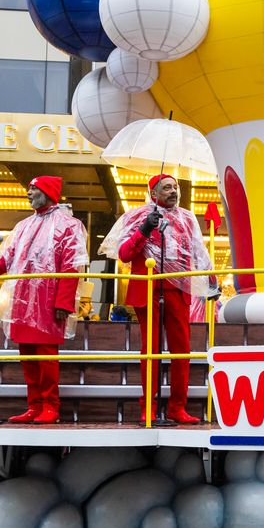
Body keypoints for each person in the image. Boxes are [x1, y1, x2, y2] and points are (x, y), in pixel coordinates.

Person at [0, 176, 88, 424]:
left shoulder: (69, 225)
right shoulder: (23, 226)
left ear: (47, 193)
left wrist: (63, 303)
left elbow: (72, 267)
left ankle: (50, 406)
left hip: (48, 302)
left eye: (33, 188)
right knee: (27, 356)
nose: (29, 192)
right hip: (23, 302)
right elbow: (4, 262)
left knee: (46, 357)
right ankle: (35, 406)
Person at [100, 173, 215, 424]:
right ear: (153, 193)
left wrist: (211, 277)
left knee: (181, 351)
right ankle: (148, 409)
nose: (173, 191)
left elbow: (198, 251)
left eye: (175, 187)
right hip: (149, 289)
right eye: (166, 188)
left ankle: (177, 407)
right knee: (150, 351)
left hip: (179, 291)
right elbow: (124, 254)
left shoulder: (187, 218)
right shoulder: (137, 216)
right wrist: (144, 228)